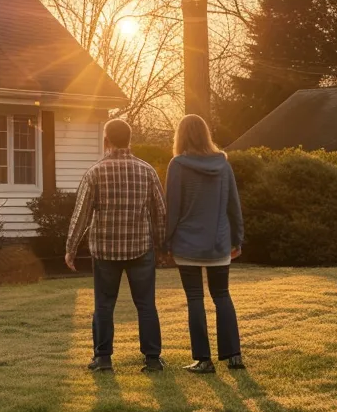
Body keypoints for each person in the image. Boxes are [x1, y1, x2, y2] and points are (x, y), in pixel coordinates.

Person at [64, 117, 168, 373]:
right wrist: (161, 245)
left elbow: (81, 215)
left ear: (106, 141)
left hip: (105, 251)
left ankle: (103, 358)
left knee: (104, 304)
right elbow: (160, 213)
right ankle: (152, 358)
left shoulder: (95, 173)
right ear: (129, 140)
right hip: (140, 248)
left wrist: (71, 247)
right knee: (145, 304)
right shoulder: (147, 171)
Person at [165, 114, 245, 374]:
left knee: (195, 298)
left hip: (187, 242)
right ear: (206, 134)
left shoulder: (177, 165)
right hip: (218, 241)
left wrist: (165, 240)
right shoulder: (223, 164)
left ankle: (203, 359)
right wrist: (238, 238)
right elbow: (234, 205)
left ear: (181, 136)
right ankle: (234, 356)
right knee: (222, 296)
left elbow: (173, 208)